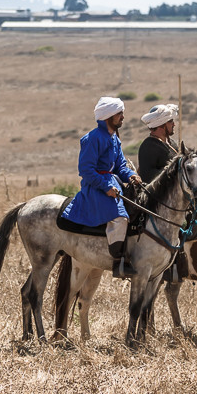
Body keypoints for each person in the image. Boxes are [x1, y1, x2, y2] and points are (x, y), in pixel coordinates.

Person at [58, 96, 142, 278]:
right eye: (119, 113)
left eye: (122, 113)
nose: (122, 117)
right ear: (109, 116)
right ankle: (118, 262)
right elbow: (86, 170)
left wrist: (132, 175)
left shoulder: (114, 140)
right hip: (95, 188)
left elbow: (120, 167)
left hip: (113, 184)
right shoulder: (93, 138)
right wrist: (106, 187)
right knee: (120, 217)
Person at [138, 103, 179, 185]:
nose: (174, 124)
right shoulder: (148, 147)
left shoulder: (172, 143)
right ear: (161, 125)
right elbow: (147, 177)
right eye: (170, 121)